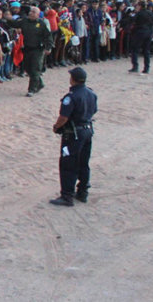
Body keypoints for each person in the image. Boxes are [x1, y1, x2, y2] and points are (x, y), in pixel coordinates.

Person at [49, 67, 98, 207]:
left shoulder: (71, 97)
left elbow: (64, 117)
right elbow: (94, 110)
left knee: (68, 164)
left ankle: (67, 195)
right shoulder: (91, 93)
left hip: (74, 134)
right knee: (84, 162)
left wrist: (57, 127)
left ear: (73, 79)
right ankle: (83, 191)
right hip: (87, 130)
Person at [2, 6, 52, 96]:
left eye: (33, 12)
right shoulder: (24, 21)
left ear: (37, 15)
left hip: (38, 49)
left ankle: (31, 89)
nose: (31, 13)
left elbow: (48, 36)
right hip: (27, 48)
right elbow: (15, 24)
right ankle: (39, 83)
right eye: (30, 11)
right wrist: (8, 19)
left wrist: (48, 47)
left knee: (35, 69)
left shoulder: (41, 24)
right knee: (27, 68)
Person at [129, 0, 153, 74]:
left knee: (135, 49)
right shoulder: (150, 13)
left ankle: (135, 66)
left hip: (139, 32)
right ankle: (146, 68)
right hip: (149, 33)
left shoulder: (139, 13)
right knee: (146, 51)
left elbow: (132, 21)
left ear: (140, 6)